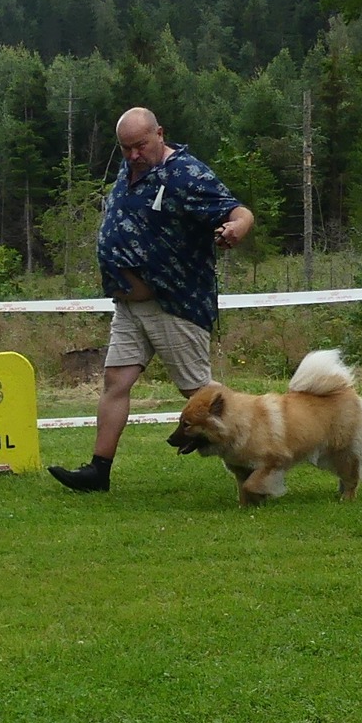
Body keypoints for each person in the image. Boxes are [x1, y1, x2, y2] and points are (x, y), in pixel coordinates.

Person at [48, 106, 254, 492]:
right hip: (129, 306)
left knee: (202, 395)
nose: (132, 155)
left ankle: (259, 451)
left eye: (140, 146)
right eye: (125, 148)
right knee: (116, 382)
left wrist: (236, 228)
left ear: (160, 133)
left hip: (173, 303)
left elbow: (238, 210)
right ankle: (98, 471)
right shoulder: (130, 168)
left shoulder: (187, 173)